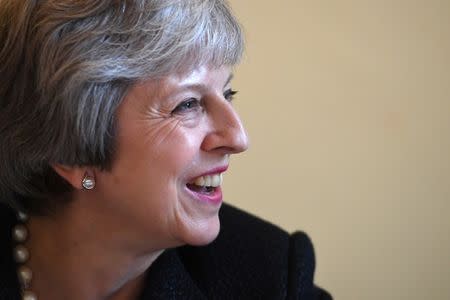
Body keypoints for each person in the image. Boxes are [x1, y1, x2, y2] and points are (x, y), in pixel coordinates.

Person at [0, 0, 332, 299]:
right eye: (187, 104)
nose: (238, 137)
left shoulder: (270, 277)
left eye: (228, 94)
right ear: (71, 151)